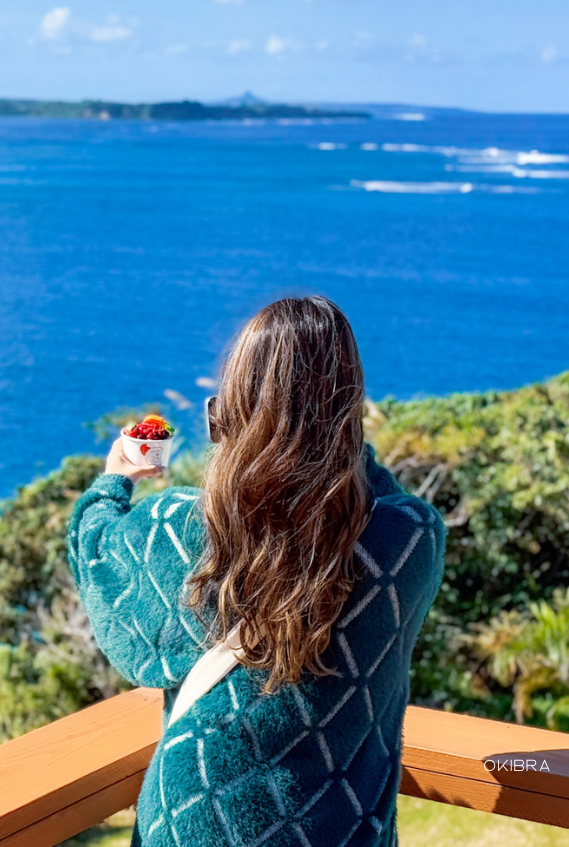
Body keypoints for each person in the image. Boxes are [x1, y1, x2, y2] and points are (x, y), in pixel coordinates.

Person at [67, 296, 445, 847]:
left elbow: (96, 550)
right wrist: (334, 439)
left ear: (229, 409)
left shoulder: (179, 530)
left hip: (193, 819)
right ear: (351, 406)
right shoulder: (408, 541)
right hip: (337, 830)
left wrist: (114, 479)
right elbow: (369, 491)